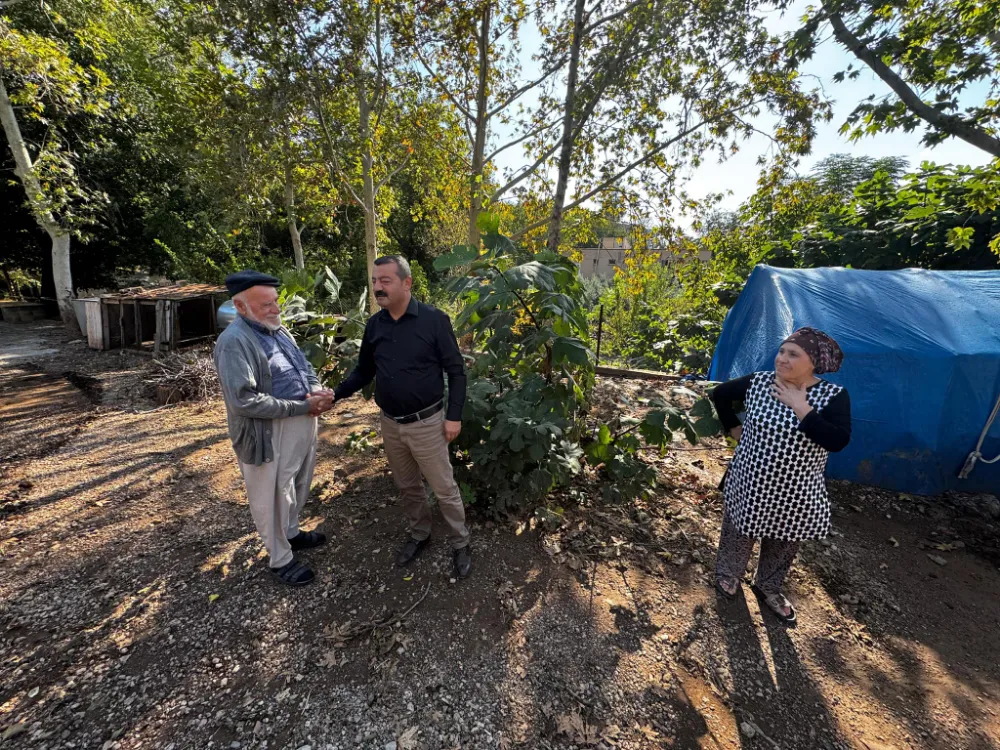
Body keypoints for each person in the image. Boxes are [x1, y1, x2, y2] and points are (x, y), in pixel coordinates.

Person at [333, 255, 472, 578]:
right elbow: (364, 370)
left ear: (406, 283)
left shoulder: (434, 320)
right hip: (391, 424)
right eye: (374, 282)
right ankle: (420, 534)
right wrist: (335, 394)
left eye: (385, 281)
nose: (378, 288)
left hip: (428, 423)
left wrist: (454, 416)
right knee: (408, 486)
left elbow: (457, 371)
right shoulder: (375, 325)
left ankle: (460, 543)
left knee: (444, 488)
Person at [710, 327, 852, 625]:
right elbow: (720, 394)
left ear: (813, 361)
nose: (782, 359)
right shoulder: (760, 382)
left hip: (796, 490)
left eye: (793, 354)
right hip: (751, 482)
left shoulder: (833, 396)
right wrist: (734, 428)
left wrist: (802, 409)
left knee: (784, 540)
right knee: (738, 531)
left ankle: (768, 586)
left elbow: (837, 441)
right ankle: (728, 574)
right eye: (782, 351)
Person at [214, 270, 335, 587]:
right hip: (269, 431)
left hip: (302, 419)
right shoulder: (233, 343)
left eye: (275, 302)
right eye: (266, 304)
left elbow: (303, 367)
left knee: (297, 483)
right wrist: (302, 406)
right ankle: (280, 558)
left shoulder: (278, 330)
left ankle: (292, 533)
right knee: (271, 496)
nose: (276, 309)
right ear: (241, 307)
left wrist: (316, 390)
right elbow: (244, 401)